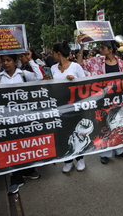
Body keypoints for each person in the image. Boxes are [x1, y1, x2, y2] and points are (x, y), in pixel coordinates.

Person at [0, 51, 43, 194]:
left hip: (24, 118)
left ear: (15, 62)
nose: (5, 63)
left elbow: (38, 77)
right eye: (3, 60)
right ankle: (16, 178)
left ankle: (28, 170)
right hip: (7, 121)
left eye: (8, 60)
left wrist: (30, 59)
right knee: (12, 148)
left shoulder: (22, 74)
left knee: (26, 145)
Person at [76, 35, 123, 164]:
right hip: (102, 100)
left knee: (118, 124)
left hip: (118, 99)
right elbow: (80, 63)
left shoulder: (122, 63)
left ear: (110, 49)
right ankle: (104, 153)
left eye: (102, 48)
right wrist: (82, 46)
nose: (100, 50)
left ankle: (119, 150)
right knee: (103, 125)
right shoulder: (96, 61)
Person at [50, 41, 87, 173]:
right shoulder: (53, 68)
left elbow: (85, 85)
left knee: (78, 132)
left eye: (53, 53)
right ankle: (68, 160)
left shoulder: (76, 67)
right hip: (60, 107)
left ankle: (80, 159)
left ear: (58, 53)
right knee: (64, 134)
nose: (52, 55)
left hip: (75, 106)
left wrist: (74, 81)